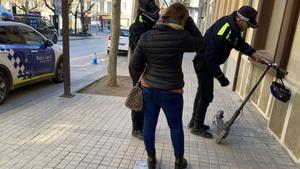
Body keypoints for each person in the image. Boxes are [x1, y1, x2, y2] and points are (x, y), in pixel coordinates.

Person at [129, 3, 203, 169]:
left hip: (149, 89)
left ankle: (151, 160)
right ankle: (178, 161)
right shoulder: (182, 37)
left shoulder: (146, 36)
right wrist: (189, 21)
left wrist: (140, 83)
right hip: (172, 91)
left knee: (148, 125)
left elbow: (134, 65)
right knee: (175, 126)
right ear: (182, 20)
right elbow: (200, 43)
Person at [189, 6, 264, 138]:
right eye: (248, 25)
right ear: (240, 20)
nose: (248, 28)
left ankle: (194, 122)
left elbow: (238, 43)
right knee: (206, 96)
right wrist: (220, 76)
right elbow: (209, 58)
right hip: (204, 64)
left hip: (206, 63)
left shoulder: (232, 26)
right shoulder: (224, 30)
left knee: (202, 92)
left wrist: (252, 52)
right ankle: (197, 126)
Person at [128, 0, 160, 140]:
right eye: (156, 13)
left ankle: (142, 126)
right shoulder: (138, 26)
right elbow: (138, 50)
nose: (157, 16)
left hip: (148, 67)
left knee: (147, 98)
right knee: (138, 96)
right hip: (138, 68)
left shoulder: (148, 23)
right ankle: (136, 128)